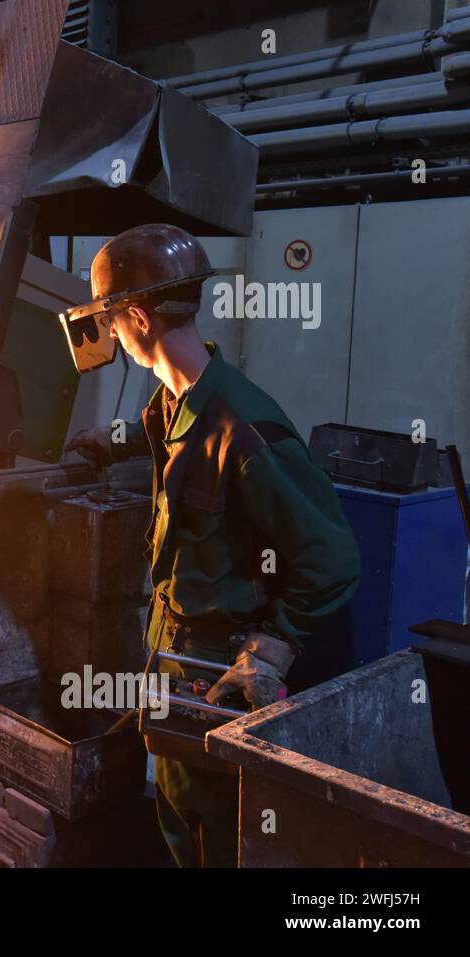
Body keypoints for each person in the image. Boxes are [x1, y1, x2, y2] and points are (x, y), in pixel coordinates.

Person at [60, 223, 360, 867]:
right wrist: (112, 442)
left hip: (219, 671)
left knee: (217, 835)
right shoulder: (172, 406)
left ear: (137, 316)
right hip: (172, 652)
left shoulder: (244, 426)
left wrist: (272, 647)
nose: (110, 333)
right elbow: (178, 452)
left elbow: (331, 558)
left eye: (113, 320)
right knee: (178, 813)